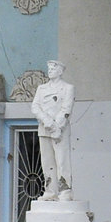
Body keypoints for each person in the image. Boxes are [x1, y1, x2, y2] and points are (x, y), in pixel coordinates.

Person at [32, 60, 74, 201]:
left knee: (62, 160)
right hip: (45, 128)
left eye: (53, 68)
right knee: (47, 161)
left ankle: (65, 190)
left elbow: (66, 109)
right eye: (49, 68)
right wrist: (49, 123)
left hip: (60, 130)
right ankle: (50, 191)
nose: (50, 70)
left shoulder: (68, 88)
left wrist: (57, 126)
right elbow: (35, 107)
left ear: (60, 71)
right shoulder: (41, 89)